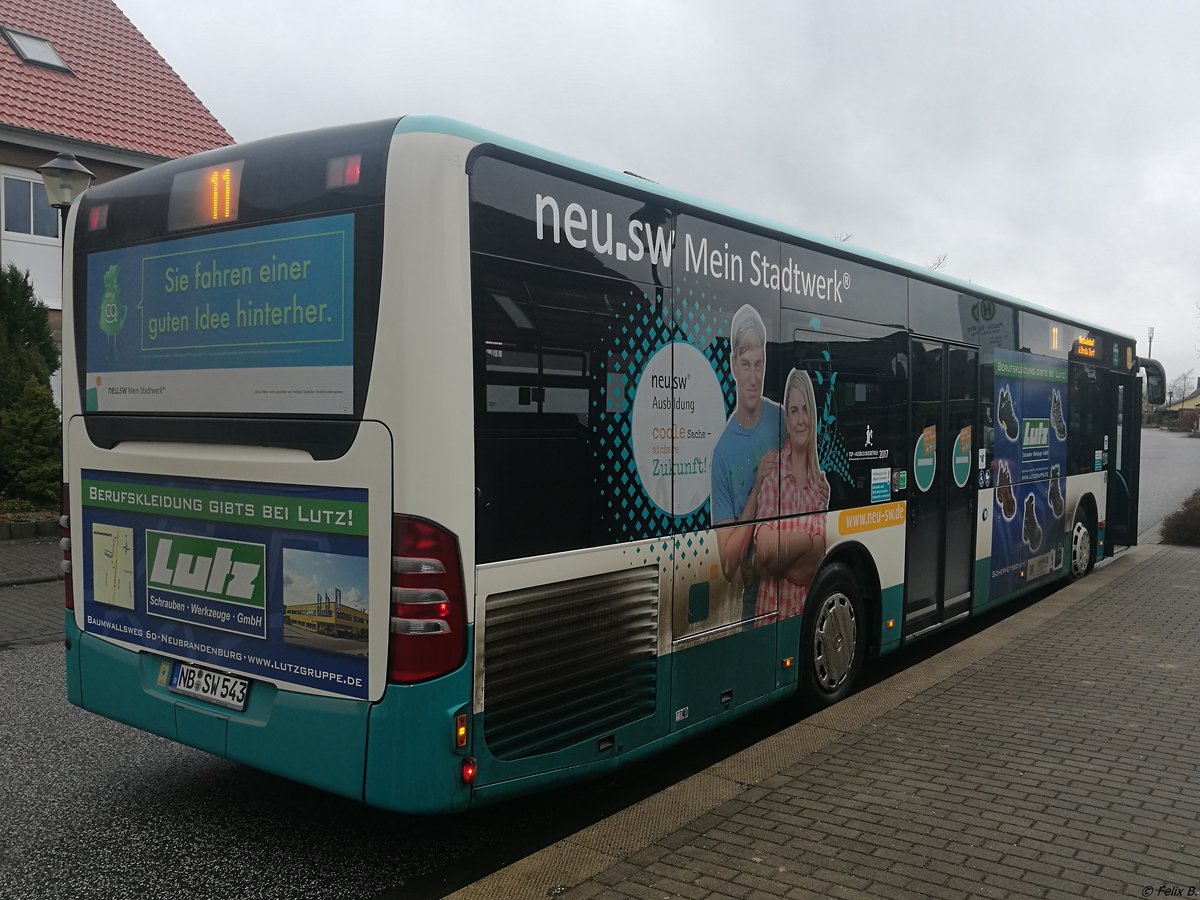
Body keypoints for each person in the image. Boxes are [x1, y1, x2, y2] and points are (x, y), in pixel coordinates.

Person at [710, 305, 781, 617]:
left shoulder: (783, 418)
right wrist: (756, 491)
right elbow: (727, 564)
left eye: (759, 364)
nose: (753, 377)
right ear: (733, 366)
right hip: (755, 602)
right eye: (746, 364)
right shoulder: (722, 452)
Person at [754, 367, 829, 619]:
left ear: (813, 415)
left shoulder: (819, 483)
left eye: (805, 409)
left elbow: (812, 568)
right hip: (769, 618)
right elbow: (764, 550)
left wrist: (779, 558)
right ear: (786, 420)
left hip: (802, 617)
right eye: (794, 411)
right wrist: (806, 540)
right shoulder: (772, 470)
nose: (800, 420)